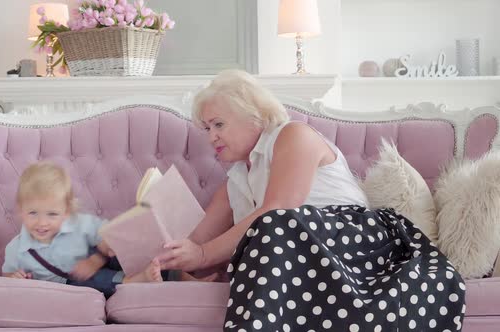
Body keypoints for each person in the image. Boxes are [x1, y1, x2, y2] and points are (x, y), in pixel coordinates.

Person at [157, 69, 466, 331]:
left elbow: (279, 209)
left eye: (218, 124)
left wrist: (201, 255)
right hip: (297, 254)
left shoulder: (293, 135)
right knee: (262, 238)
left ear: (253, 116)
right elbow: (197, 245)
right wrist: (169, 260)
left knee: (273, 224)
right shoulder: (233, 183)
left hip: (354, 243)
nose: (211, 137)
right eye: (206, 128)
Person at [2, 162, 210, 298]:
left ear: (66, 212)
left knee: (124, 251)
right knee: (84, 281)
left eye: (52, 214)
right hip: (68, 280)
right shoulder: (16, 249)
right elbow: (8, 275)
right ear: (20, 211)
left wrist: (102, 252)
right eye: (33, 213)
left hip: (96, 257)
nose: (42, 223)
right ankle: (136, 281)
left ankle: (187, 279)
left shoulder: (78, 224)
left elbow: (109, 236)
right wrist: (14, 278)